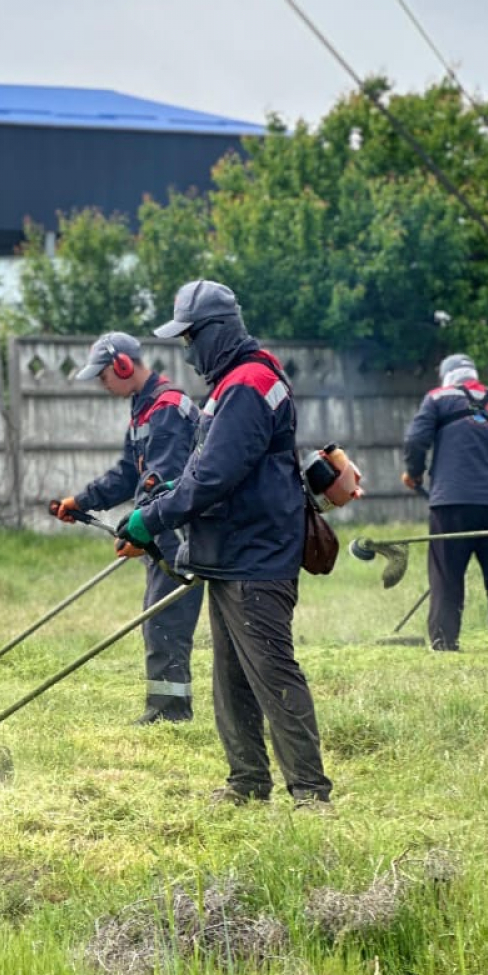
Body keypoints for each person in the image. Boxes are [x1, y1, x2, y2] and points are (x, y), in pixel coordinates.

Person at [115, 281, 333, 810]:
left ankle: (310, 793)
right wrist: (167, 494)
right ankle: (247, 782)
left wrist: (152, 519)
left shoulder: (248, 384)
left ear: (216, 331)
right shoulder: (238, 382)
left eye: (191, 338)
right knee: (232, 675)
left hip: (256, 554)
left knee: (271, 670)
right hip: (233, 551)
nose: (188, 352)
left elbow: (214, 476)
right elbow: (208, 465)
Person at [48, 331, 201, 724]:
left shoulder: (168, 409)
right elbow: (128, 474)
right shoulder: (145, 409)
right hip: (162, 529)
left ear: (122, 365)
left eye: (103, 376)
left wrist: (141, 531)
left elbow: (165, 482)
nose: (102, 384)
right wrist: (81, 501)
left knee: (165, 622)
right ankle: (167, 710)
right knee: (158, 619)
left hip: (179, 535)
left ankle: (170, 715)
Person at [401, 353, 488, 652]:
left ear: (446, 375)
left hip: (451, 502)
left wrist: (414, 473)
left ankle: (444, 641)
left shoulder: (437, 398)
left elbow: (416, 440)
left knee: (446, 574)